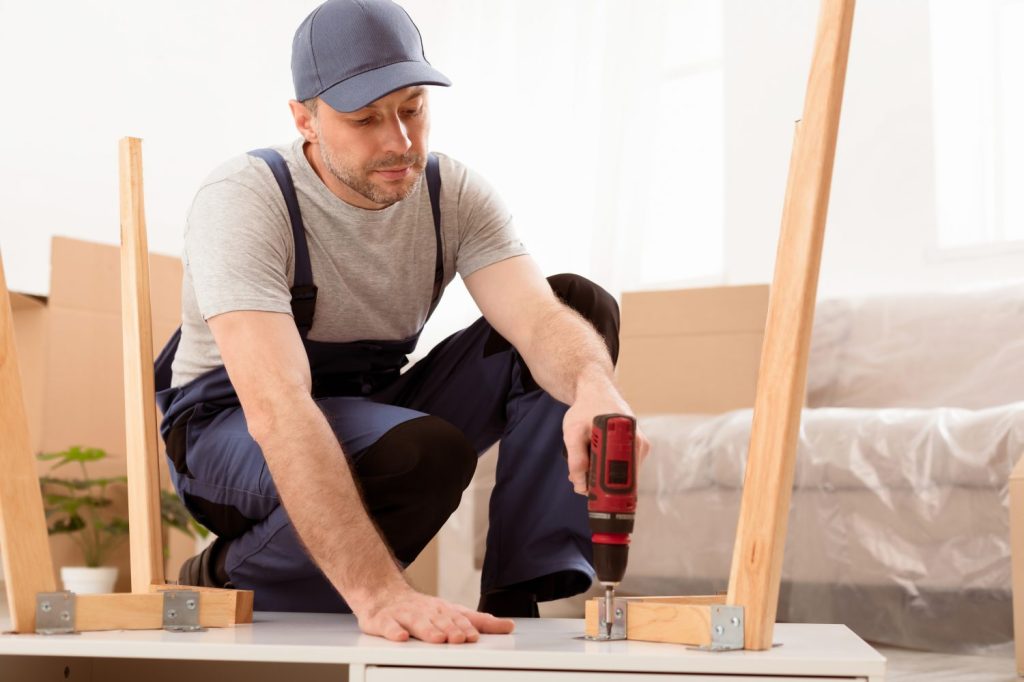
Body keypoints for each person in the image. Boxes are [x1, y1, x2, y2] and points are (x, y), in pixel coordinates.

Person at [155, 0, 649, 645]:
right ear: (305, 118)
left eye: (412, 108)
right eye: (364, 120)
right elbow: (276, 404)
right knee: (421, 456)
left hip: (367, 407)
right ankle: (231, 574)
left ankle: (520, 594)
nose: (400, 142)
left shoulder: (454, 194)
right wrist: (380, 591)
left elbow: (535, 319)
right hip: (230, 426)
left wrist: (594, 388)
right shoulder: (246, 200)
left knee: (579, 307)